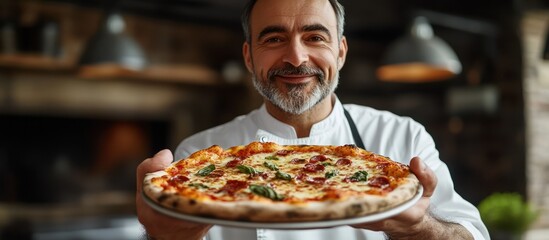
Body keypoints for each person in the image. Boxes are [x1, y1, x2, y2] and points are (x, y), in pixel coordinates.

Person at [135, 0, 490, 239]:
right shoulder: (198, 157)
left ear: (341, 50)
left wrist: (419, 229)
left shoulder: (402, 137)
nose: (295, 56)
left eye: (315, 37)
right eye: (274, 38)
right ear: (248, 56)